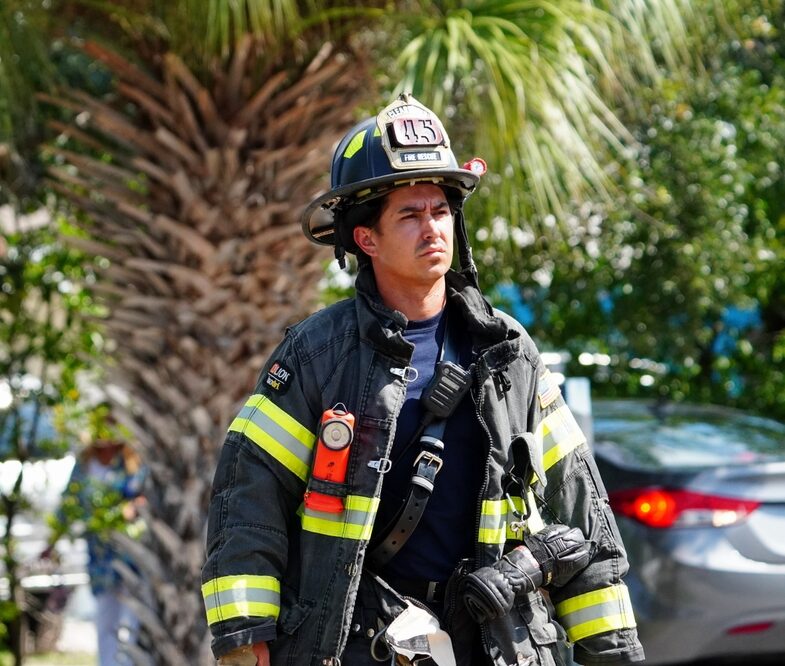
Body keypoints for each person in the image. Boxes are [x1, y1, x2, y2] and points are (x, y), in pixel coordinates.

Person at [201, 94, 645, 666]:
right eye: (409, 216)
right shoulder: (317, 355)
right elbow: (248, 498)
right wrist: (244, 639)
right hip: (359, 644)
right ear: (366, 239)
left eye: (439, 211)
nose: (432, 228)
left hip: (495, 640)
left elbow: (579, 508)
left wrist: (612, 653)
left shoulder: (507, 352)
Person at [44, 405, 145, 666]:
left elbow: (144, 497)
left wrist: (132, 508)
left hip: (131, 556)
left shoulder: (131, 460)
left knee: (133, 620)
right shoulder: (85, 462)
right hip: (100, 556)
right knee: (106, 620)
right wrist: (52, 542)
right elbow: (69, 503)